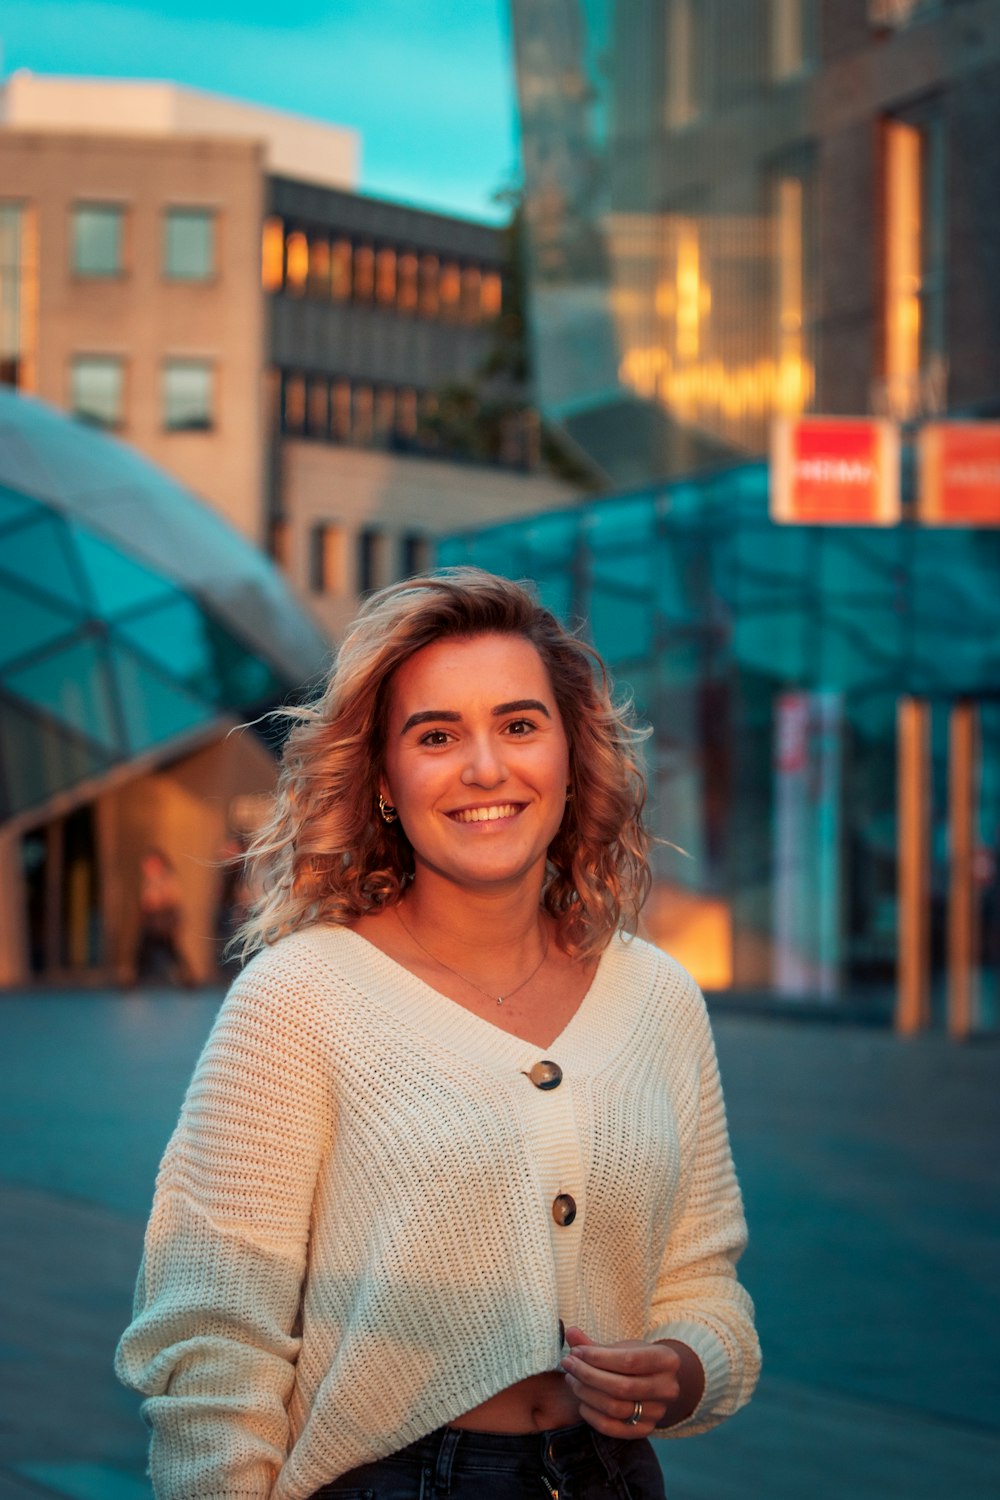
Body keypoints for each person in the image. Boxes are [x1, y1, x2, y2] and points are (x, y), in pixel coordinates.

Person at [115, 569, 759, 1500]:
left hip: (610, 1478)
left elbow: (707, 1287)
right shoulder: (299, 996)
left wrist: (687, 1365)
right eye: (437, 735)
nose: (486, 768)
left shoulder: (658, 999)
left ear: (572, 755)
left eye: (520, 724)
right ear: (384, 778)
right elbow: (213, 1335)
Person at [132, 847, 195, 987]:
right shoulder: (149, 880)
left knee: (171, 951)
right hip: (152, 922)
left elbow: (170, 899)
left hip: (162, 922)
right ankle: (135, 978)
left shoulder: (166, 878)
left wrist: (156, 902)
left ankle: (188, 978)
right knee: (144, 951)